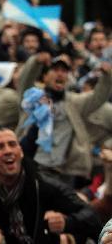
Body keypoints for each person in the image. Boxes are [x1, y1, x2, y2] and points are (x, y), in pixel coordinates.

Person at [0, 126, 101, 244]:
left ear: (20, 152)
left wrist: (67, 222)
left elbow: (91, 215)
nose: (8, 151)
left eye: (12, 144)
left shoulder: (44, 185)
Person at [18, 53, 112, 183]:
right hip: (30, 165)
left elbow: (98, 97)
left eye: (64, 71)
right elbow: (24, 80)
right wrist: (35, 62)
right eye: (55, 70)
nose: (60, 74)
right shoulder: (33, 97)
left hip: (61, 171)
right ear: (45, 77)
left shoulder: (74, 102)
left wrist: (107, 76)